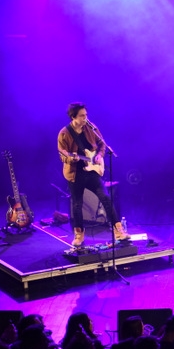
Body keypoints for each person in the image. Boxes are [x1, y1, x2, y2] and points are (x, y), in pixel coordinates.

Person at [57, 102, 128, 247]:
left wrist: (100, 155)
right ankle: (79, 235)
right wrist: (71, 158)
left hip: (92, 171)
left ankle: (118, 230)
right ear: (73, 117)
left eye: (86, 115)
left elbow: (102, 144)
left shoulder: (91, 128)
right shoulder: (64, 133)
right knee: (77, 205)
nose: (85, 118)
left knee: (106, 198)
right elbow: (62, 155)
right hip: (75, 174)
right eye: (82, 116)